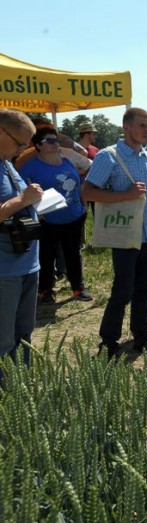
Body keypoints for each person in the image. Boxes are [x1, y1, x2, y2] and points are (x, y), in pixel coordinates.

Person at [82, 107, 147, 357]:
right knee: (122, 291)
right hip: (125, 237)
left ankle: (141, 336)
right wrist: (126, 195)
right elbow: (87, 192)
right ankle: (109, 342)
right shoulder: (107, 156)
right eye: (142, 126)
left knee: (144, 289)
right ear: (126, 127)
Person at [18, 126, 92, 303]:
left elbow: (79, 179)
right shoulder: (29, 167)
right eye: (50, 141)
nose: (55, 144)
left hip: (74, 216)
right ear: (38, 145)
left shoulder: (66, 160)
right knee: (46, 255)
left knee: (73, 253)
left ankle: (77, 288)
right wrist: (35, 211)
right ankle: (45, 290)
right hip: (47, 219)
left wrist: (83, 204)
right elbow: (20, 192)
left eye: (56, 140)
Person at [0, 109, 40, 370]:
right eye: (20, 143)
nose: (23, 149)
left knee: (24, 334)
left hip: (27, 262)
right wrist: (23, 200)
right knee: (3, 340)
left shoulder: (7, 164)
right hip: (5, 271)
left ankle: (21, 386)